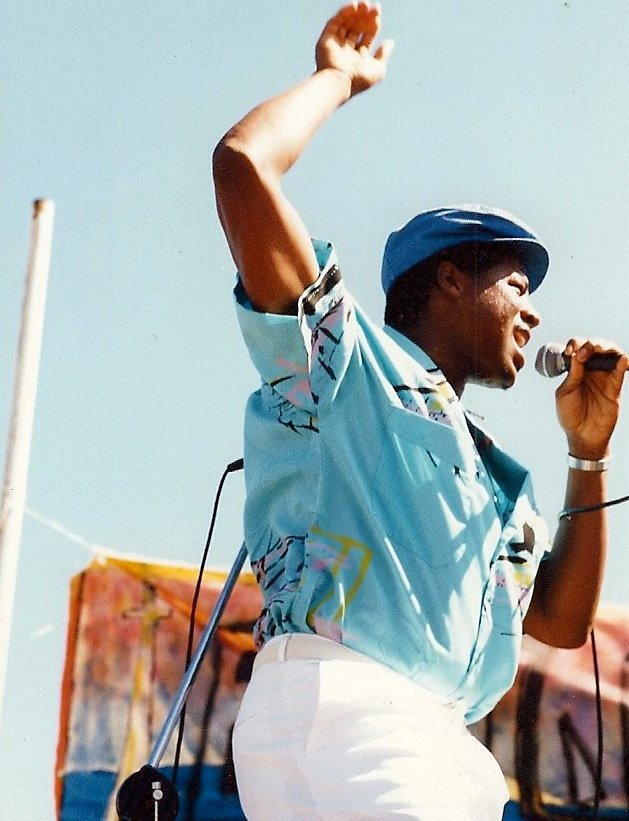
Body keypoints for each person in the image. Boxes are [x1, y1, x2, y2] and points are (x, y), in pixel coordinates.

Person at [212, 4, 628, 819]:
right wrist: (339, 77)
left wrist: (586, 454)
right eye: (516, 284)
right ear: (446, 278)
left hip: (434, 739)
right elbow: (242, 167)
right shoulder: (350, 361)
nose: (533, 313)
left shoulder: (495, 471)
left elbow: (557, 615)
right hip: (357, 709)